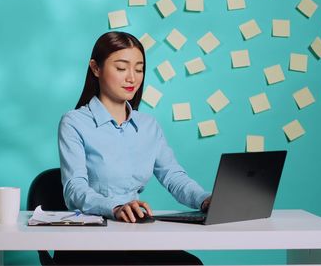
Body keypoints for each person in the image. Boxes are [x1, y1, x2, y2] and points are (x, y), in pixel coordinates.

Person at [57, 31, 211, 265]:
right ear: (95, 68)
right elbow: (74, 189)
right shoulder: (74, 122)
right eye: (121, 68)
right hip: (90, 241)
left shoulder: (148, 126)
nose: (132, 78)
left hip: (134, 236)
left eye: (139, 69)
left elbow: (173, 176)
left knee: (191, 264)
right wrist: (116, 207)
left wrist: (206, 200)